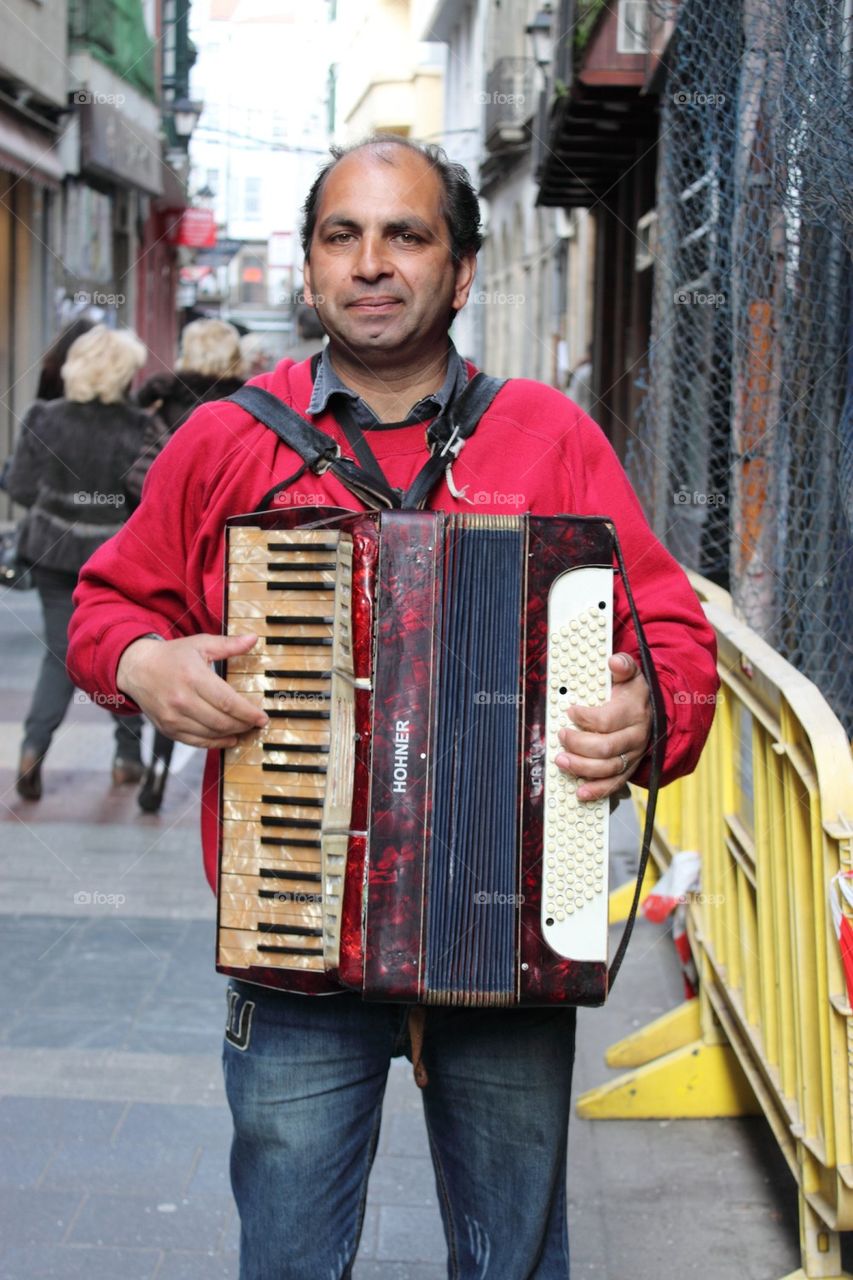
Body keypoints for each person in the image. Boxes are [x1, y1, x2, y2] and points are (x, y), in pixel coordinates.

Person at [67, 136, 719, 1279]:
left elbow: (669, 629)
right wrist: (142, 662)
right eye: (343, 236)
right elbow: (104, 604)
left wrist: (650, 716)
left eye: (405, 235)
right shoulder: (227, 440)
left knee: (513, 1259)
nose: (370, 262)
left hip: (505, 930)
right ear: (309, 269)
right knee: (289, 1259)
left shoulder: (549, 436)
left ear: (459, 272)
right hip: (295, 948)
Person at [8, 324, 148, 800]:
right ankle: (128, 758)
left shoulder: (42, 417)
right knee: (118, 649)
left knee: (57, 653)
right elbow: (147, 496)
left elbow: (20, 488)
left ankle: (33, 748)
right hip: (112, 556)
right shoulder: (139, 426)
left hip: (50, 550)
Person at [126, 318, 245, 812]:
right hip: (236, 558)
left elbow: (137, 476)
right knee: (238, 660)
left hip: (172, 553)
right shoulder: (252, 406)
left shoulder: (164, 405)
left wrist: (173, 511)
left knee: (175, 659)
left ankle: (158, 764)